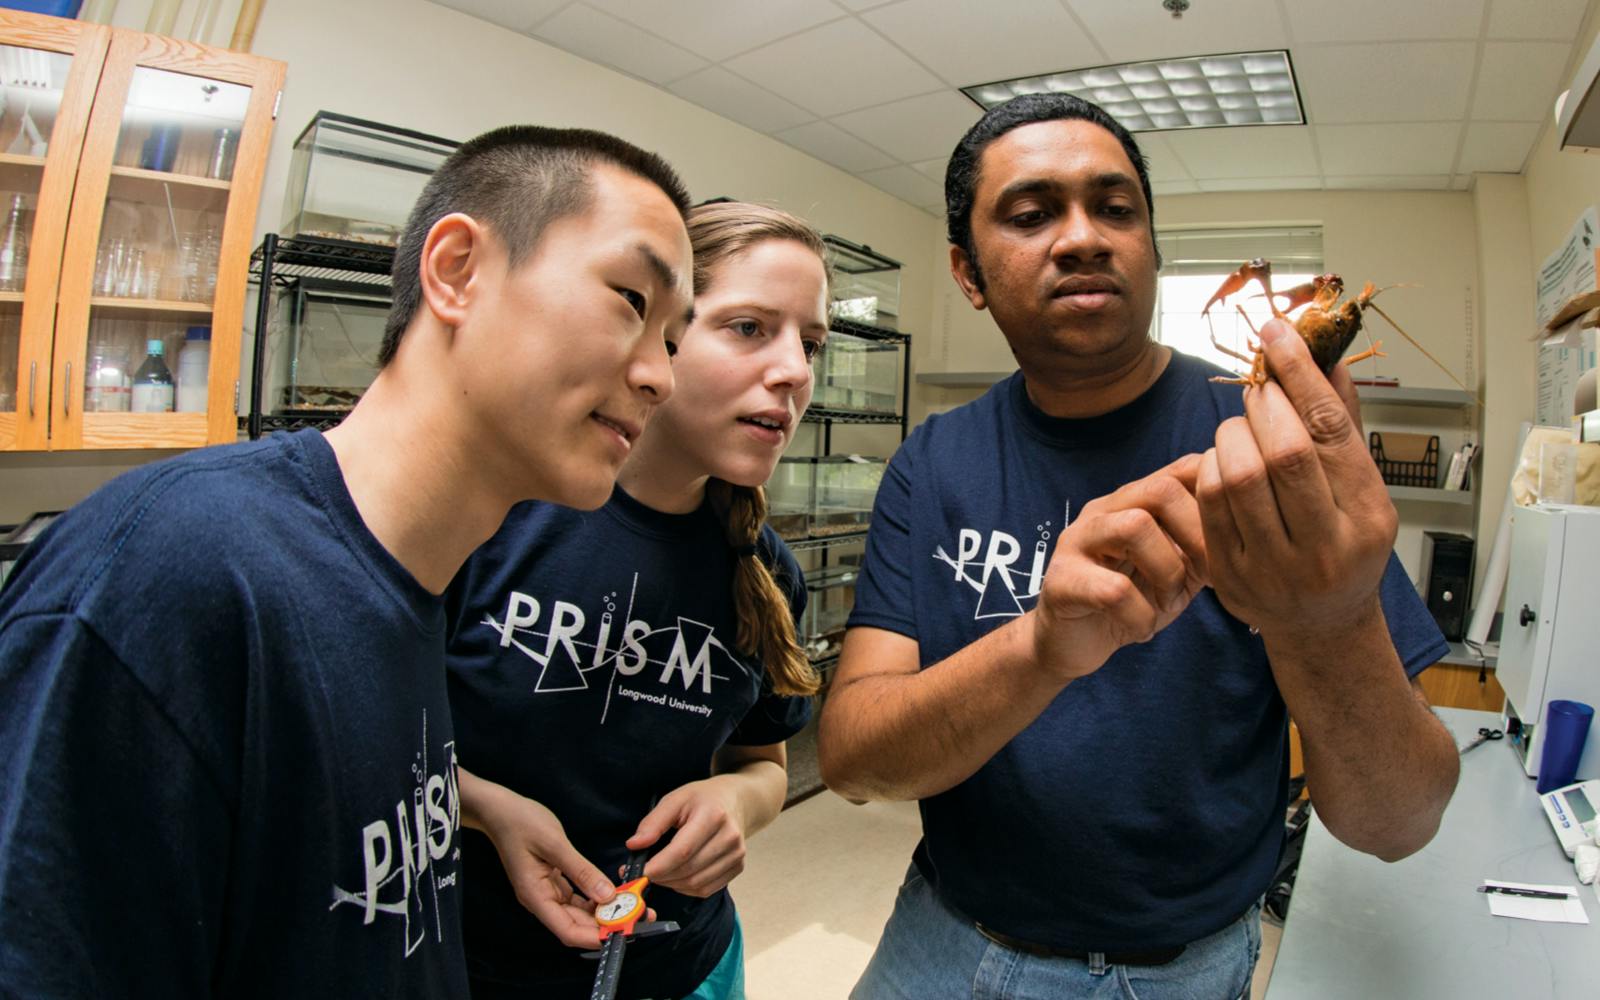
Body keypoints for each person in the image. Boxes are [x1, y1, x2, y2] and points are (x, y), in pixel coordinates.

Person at [0, 125, 695, 999]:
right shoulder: (172, 573)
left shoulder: (418, 587)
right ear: (457, 272)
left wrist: (476, 806)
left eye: (673, 339)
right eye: (633, 299)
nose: (662, 377)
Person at [817, 93, 1460, 999]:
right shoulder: (934, 460)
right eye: (1032, 214)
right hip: (943, 938)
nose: (1082, 237)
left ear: (1152, 247)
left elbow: (1401, 821)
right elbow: (850, 760)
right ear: (968, 273)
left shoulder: (1266, 443)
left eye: (1115, 208)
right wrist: (1041, 649)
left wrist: (1329, 618)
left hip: (1185, 971)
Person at [444, 200, 831, 999]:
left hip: (684, 968)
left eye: (812, 342)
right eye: (751, 327)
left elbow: (763, 761)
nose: (795, 370)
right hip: (470, 965)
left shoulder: (764, 571)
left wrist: (737, 800)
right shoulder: (497, 517)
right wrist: (487, 809)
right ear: (656, 334)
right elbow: (359, 746)